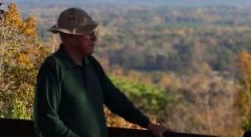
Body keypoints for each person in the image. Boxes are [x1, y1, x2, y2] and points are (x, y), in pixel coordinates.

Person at [33, 7, 169, 137]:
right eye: (88, 34)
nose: (94, 38)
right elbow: (46, 120)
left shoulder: (91, 64)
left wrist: (148, 124)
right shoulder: (54, 67)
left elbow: (115, 99)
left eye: (93, 33)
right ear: (70, 37)